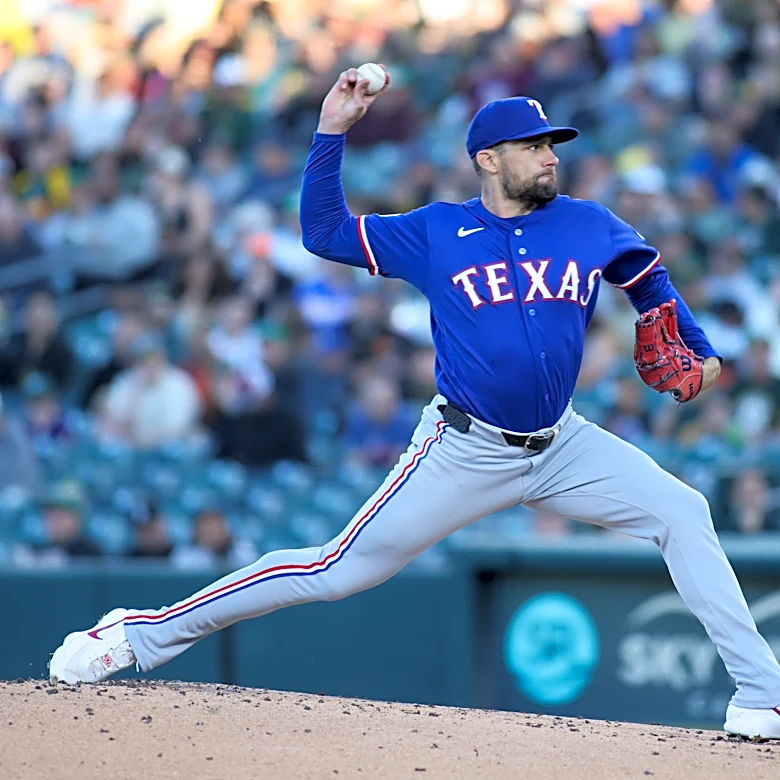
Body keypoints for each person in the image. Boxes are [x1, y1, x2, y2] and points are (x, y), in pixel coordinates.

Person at [49, 69, 780, 741]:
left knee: (683, 511)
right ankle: (137, 634)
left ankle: (761, 695)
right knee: (334, 570)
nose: (549, 156)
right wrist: (332, 131)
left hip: (563, 444)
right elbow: (323, 233)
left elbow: (649, 281)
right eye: (533, 146)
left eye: (551, 144)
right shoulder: (436, 231)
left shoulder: (587, 223)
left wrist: (701, 348)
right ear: (488, 159)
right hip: (464, 447)